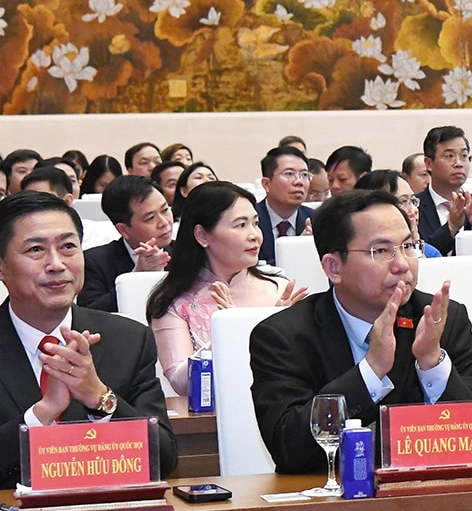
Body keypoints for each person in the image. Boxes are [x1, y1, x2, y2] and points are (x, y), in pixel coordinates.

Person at [0, 190, 178, 491]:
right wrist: (42, 413)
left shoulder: (129, 340)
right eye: (36, 250)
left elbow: (165, 458)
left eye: (68, 247)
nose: (56, 264)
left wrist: (99, 397)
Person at [249, 190, 472, 474]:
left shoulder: (440, 319)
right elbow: (288, 448)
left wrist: (431, 362)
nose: (402, 264)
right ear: (334, 267)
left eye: (408, 246)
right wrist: (371, 371)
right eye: (381, 251)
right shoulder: (282, 336)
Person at [147, 183, 306, 396]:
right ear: (202, 235)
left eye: (255, 223)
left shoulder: (279, 288)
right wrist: (228, 331)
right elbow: (180, 382)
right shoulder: (174, 302)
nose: (255, 235)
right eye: (240, 225)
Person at [79, 174, 174, 311]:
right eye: (150, 218)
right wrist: (136, 277)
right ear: (123, 230)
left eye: (165, 210)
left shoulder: (187, 252)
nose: (164, 222)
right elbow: (89, 313)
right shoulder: (94, 262)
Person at [418, 126, 472, 256]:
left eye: (464, 156)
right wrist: (451, 227)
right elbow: (419, 256)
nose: (458, 163)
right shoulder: (413, 208)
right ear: (429, 163)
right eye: (449, 156)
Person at [354, 170, 442, 259]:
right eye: (403, 201)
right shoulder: (361, 253)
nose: (414, 210)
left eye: (413, 201)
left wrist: (415, 245)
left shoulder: (430, 253)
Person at [256, 145, 315, 265]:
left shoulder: (317, 220)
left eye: (304, 175)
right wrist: (298, 250)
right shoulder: (249, 220)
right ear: (266, 184)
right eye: (289, 174)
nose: (299, 182)